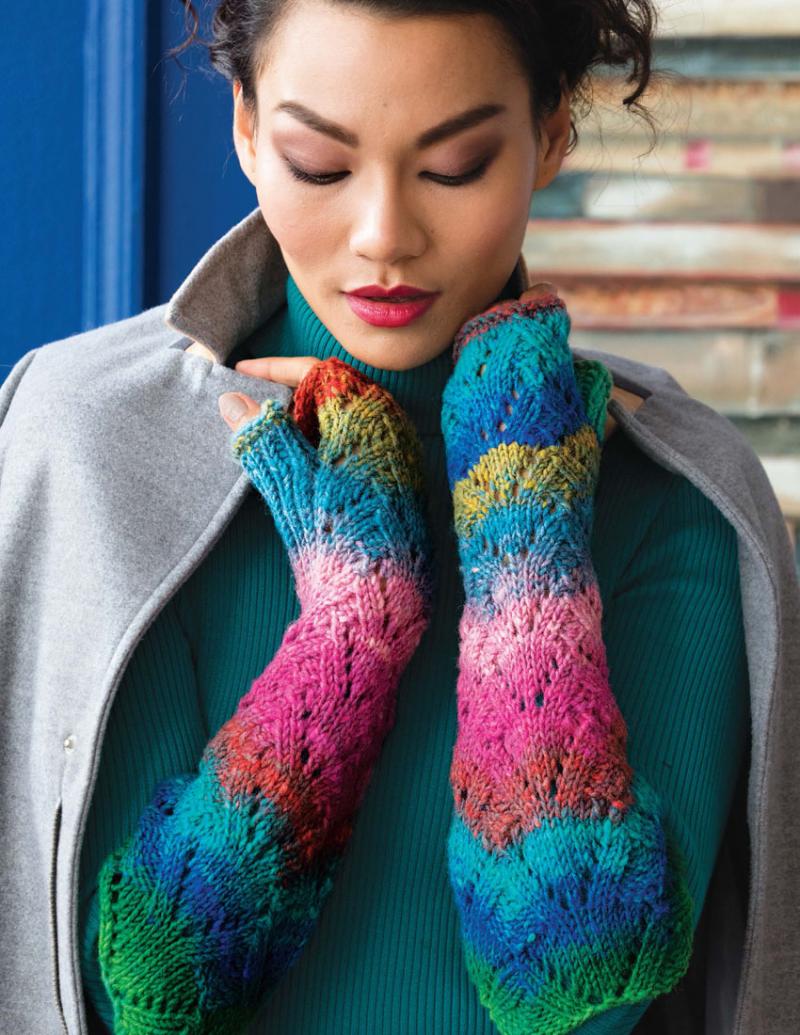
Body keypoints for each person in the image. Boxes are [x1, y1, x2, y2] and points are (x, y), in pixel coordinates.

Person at [1, 1, 798, 1033]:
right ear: (245, 126)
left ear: (552, 129)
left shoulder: (673, 494)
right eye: (320, 164)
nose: (384, 234)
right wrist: (353, 625)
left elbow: (578, 979)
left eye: (454, 166)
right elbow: (146, 991)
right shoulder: (95, 445)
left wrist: (522, 535)